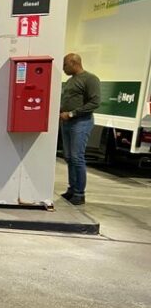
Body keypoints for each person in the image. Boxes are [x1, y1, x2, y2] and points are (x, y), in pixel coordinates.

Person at [60, 53, 100, 206]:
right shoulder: (71, 81)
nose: (63, 68)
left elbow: (95, 102)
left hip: (81, 122)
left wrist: (71, 114)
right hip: (67, 123)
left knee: (77, 157)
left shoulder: (90, 79)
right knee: (69, 157)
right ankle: (72, 189)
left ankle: (79, 193)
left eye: (65, 65)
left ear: (73, 62)